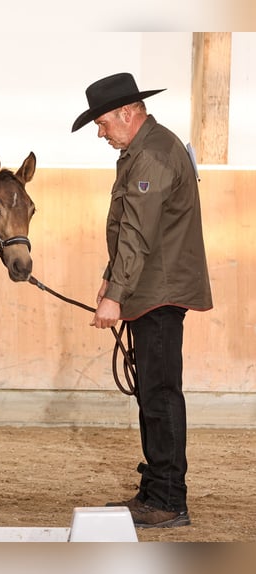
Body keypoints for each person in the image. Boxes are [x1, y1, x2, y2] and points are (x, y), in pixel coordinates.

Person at [71, 72, 213, 528]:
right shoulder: (148, 148)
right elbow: (134, 232)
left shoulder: (150, 156)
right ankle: (156, 490)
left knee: (160, 394)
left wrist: (115, 295)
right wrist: (110, 280)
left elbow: (136, 233)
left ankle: (169, 499)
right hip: (151, 289)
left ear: (128, 114)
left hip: (158, 292)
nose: (100, 131)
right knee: (153, 392)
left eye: (103, 122)